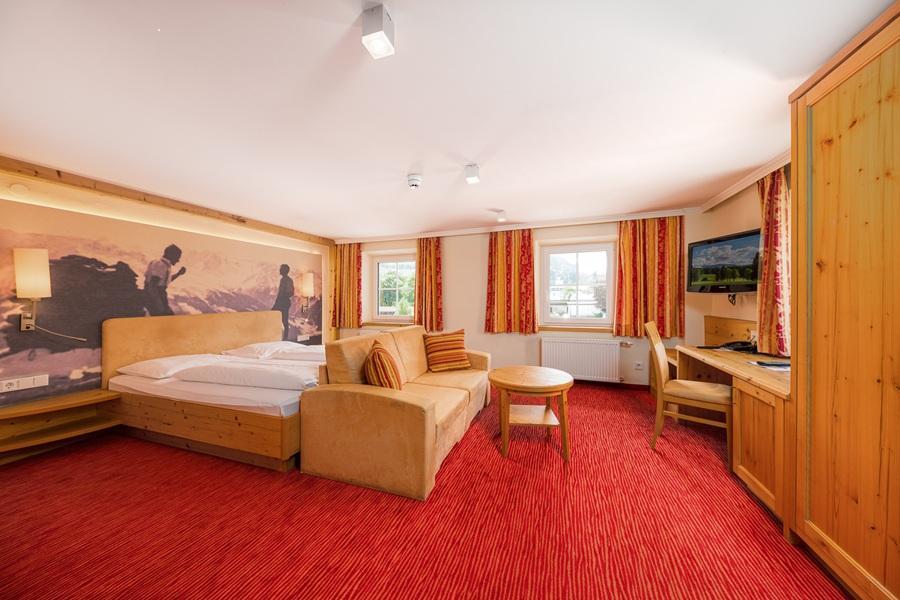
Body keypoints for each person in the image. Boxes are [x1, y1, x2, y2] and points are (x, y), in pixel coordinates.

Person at [144, 244, 187, 316]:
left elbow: (163, 282)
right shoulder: (161, 265)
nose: (178, 260)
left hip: (158, 296)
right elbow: (152, 286)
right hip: (155, 297)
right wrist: (159, 305)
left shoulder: (163, 264)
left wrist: (178, 274)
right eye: (177, 257)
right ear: (171, 255)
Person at [272, 264, 295, 341]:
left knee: (282, 319)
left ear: (284, 270)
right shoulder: (287, 280)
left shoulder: (285, 280)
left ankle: (284, 338)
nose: (279, 270)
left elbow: (284, 293)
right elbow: (290, 292)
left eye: (281, 269)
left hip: (283, 302)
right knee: (283, 319)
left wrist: (278, 302)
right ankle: (284, 338)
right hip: (284, 302)